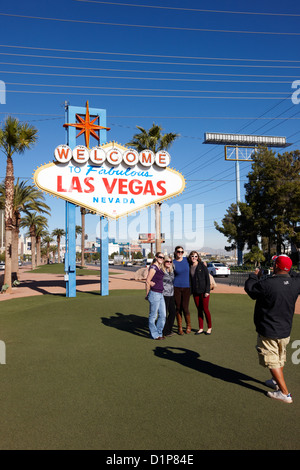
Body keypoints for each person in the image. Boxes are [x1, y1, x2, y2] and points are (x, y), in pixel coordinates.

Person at [244, 254, 300, 404]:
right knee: (279, 358)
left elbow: (250, 289)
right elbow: (295, 274)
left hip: (269, 329)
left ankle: (284, 393)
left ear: (276, 267)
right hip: (285, 329)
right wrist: (288, 270)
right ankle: (276, 382)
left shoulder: (267, 283)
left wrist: (254, 276)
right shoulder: (296, 282)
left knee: (272, 361)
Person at [188, 251, 212, 335]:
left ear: (198, 257)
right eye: (192, 256)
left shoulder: (202, 265)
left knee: (205, 309)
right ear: (190, 257)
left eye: (195, 256)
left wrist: (207, 291)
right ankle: (201, 328)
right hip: (195, 291)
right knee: (199, 310)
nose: (194, 257)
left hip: (204, 291)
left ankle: (209, 328)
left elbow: (207, 279)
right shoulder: (189, 266)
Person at [145, 252, 166, 340]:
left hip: (160, 293)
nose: (162, 259)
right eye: (160, 257)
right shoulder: (153, 267)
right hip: (154, 294)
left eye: (163, 257)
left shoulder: (159, 267)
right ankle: (154, 334)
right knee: (153, 316)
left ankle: (159, 333)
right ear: (156, 257)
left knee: (163, 315)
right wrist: (147, 294)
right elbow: (147, 280)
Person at [173, 246, 191, 335]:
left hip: (187, 287)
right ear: (175, 252)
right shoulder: (172, 262)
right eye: (178, 251)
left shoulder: (187, 260)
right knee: (178, 308)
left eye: (181, 251)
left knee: (185, 307)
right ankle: (179, 327)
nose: (180, 253)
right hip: (176, 287)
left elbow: (195, 262)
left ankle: (188, 325)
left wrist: (203, 263)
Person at [162, 256, 176, 337]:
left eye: (170, 262)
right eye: (167, 261)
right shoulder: (161, 271)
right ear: (164, 262)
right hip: (164, 294)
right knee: (164, 313)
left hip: (171, 294)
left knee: (172, 312)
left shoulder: (171, 270)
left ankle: (168, 330)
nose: (169, 263)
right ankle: (164, 331)